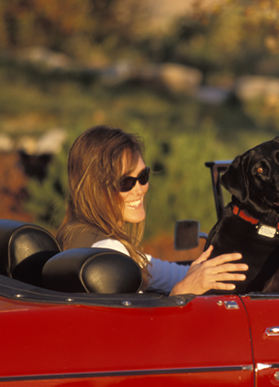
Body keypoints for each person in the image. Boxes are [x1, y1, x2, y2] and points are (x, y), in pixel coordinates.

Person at [56, 125, 248, 296]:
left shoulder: (76, 235)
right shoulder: (109, 253)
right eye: (126, 182)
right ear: (95, 188)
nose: (139, 189)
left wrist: (203, 271)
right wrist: (182, 293)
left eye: (143, 175)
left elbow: (166, 273)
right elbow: (135, 330)